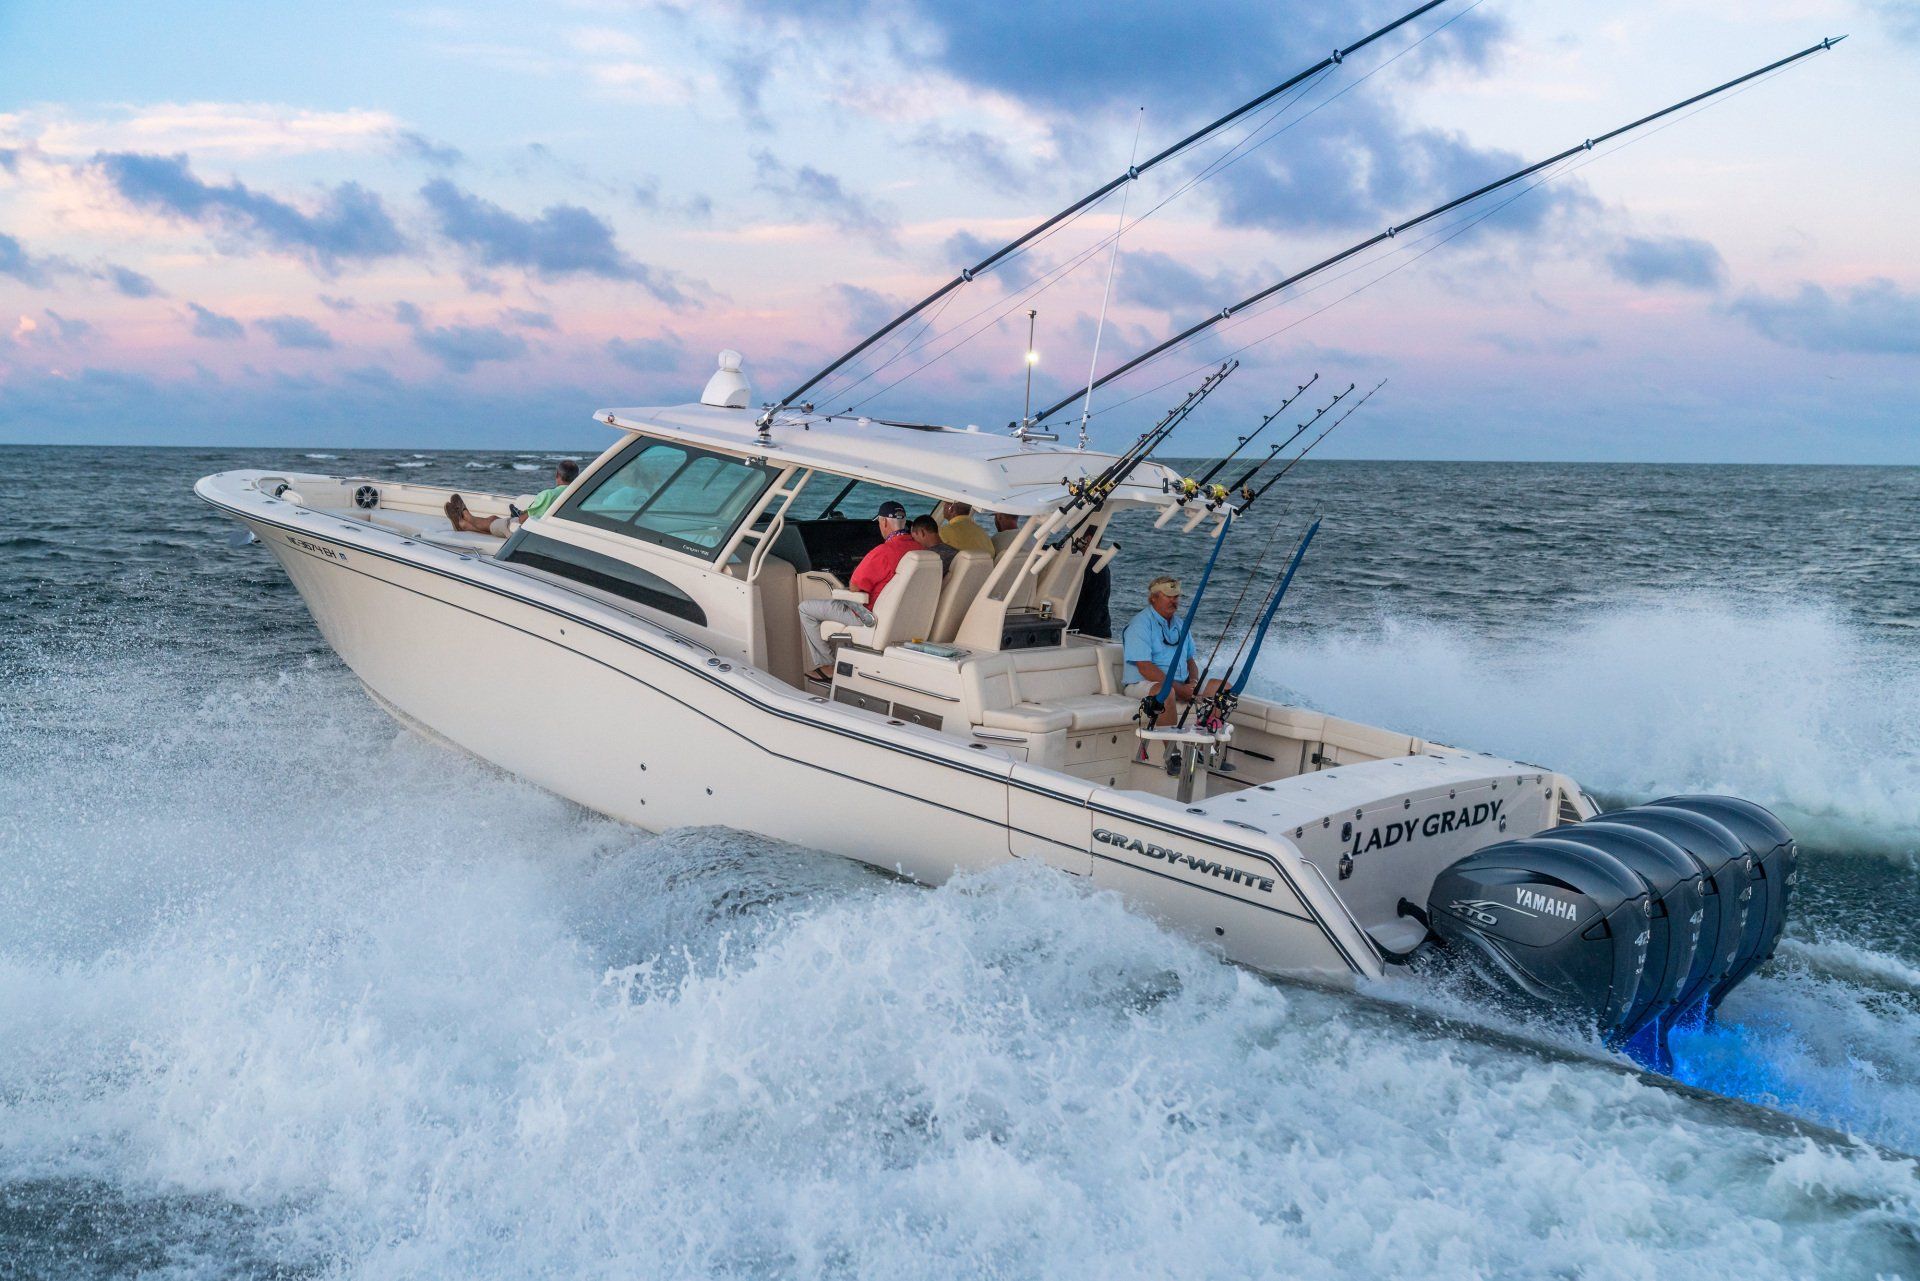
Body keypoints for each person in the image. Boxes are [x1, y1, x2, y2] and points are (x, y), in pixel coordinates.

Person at [797, 500, 916, 681]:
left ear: (883, 522)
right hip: (904, 616)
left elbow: (855, 586)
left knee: (806, 608)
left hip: (870, 615)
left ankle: (829, 665)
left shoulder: (883, 552)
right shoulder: (919, 549)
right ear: (905, 522)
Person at [1121, 575, 1218, 726]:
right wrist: (1180, 690)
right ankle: (1171, 749)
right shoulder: (1140, 624)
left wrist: (1193, 683)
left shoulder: (1180, 625)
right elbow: (1145, 668)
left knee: (1221, 688)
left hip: (1179, 684)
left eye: (1176, 596)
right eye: (1168, 596)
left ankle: (1208, 743)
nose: (1174, 601)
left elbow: (1189, 661)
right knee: (1165, 692)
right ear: (1153, 598)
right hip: (1142, 683)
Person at [445, 459, 579, 537]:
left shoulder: (548, 494)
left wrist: (522, 514)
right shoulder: (577, 495)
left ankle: (466, 519)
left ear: (557, 475)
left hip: (527, 530)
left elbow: (523, 520)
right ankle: (464, 524)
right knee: (495, 520)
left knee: (492, 522)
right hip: (551, 529)